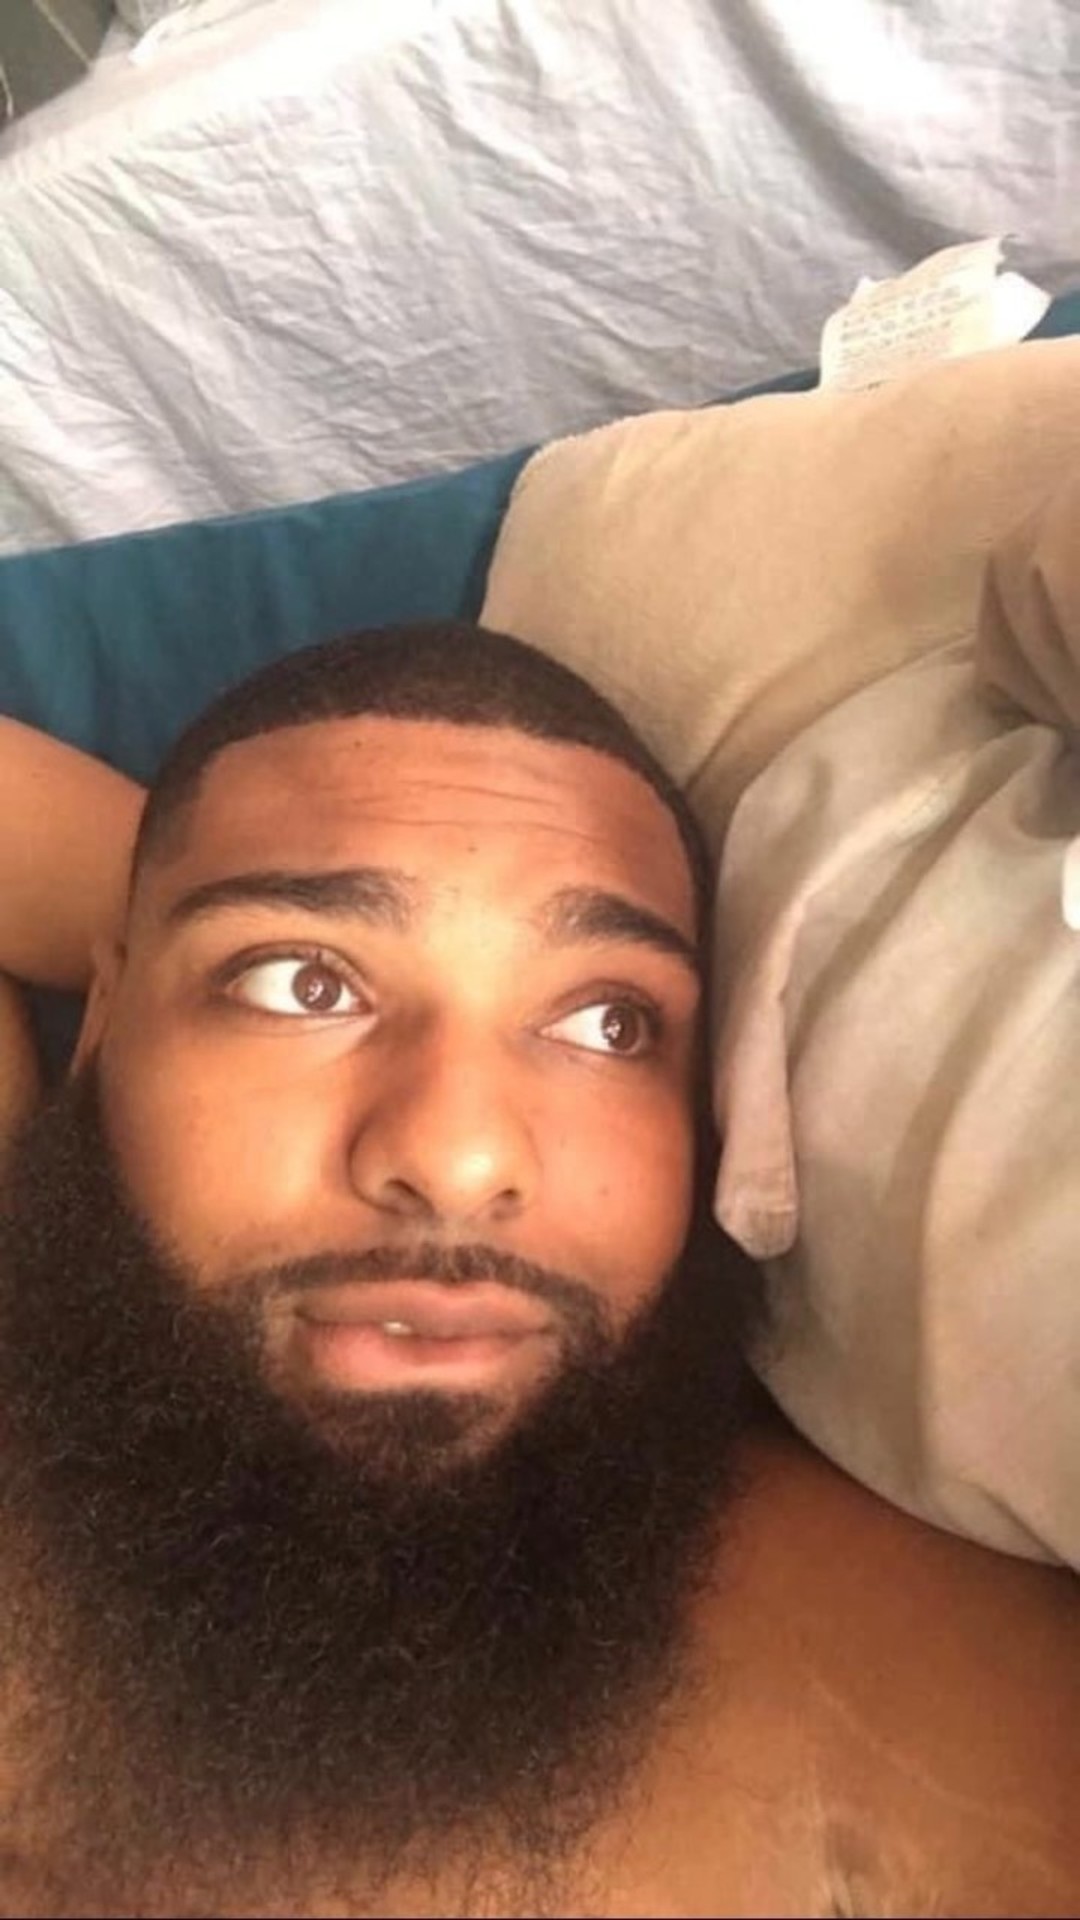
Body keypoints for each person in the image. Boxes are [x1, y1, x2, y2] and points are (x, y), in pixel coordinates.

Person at [0, 622, 1076, 1919]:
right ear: (103, 1027)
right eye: (299, 985)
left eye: (608, 1021)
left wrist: (228, 922)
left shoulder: (920, 1683)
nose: (459, 1158)